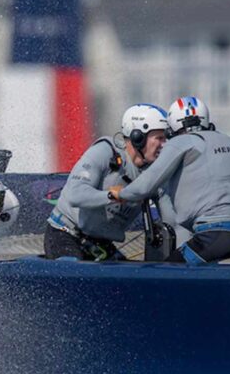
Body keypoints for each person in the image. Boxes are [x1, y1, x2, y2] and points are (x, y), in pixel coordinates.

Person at [110, 96, 230, 263]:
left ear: (171, 129)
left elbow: (145, 186)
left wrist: (119, 194)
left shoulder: (181, 142)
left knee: (168, 275)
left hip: (216, 236)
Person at [45, 104, 169, 260]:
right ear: (138, 136)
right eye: (159, 138)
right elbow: (75, 195)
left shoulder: (156, 172)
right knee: (76, 275)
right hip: (65, 235)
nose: (164, 144)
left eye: (166, 138)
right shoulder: (105, 151)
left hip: (100, 245)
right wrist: (112, 195)